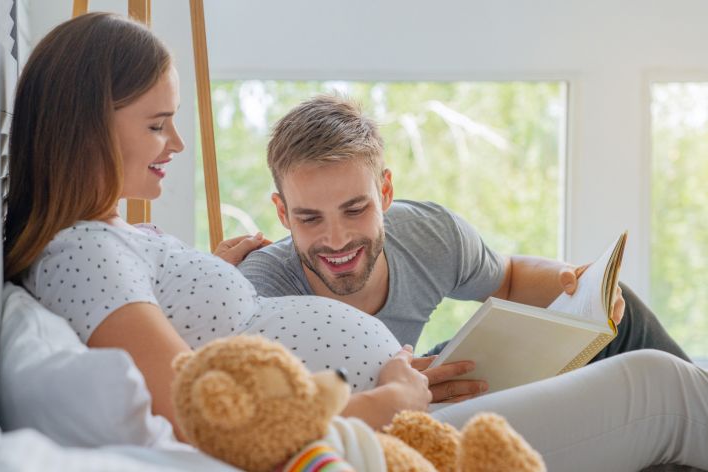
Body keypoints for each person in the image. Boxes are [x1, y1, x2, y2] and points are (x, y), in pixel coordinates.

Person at [5, 13, 708, 471]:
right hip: (382, 436)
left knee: (641, 358)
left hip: (404, 411)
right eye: (158, 124)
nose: (177, 144)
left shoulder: (111, 241)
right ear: (88, 124)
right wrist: (384, 403)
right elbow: (206, 413)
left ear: (386, 195)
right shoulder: (85, 254)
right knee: (662, 389)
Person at [237, 95, 693, 403]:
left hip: (428, 378)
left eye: (355, 210)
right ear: (282, 213)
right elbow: (262, 411)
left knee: (619, 310)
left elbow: (509, 277)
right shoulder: (261, 288)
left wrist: (577, 282)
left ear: (386, 193)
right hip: (376, 411)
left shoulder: (427, 234)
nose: (336, 240)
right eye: (309, 218)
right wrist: (384, 390)